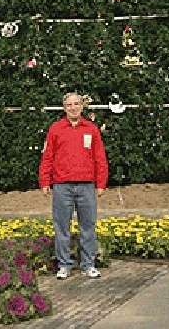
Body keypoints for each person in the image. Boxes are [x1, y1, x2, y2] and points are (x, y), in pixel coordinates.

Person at [39, 91, 108, 279]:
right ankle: (64, 265)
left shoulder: (92, 129)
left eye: (76, 104)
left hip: (86, 185)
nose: (73, 107)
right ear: (64, 108)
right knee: (62, 227)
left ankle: (88, 264)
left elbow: (99, 157)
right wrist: (44, 180)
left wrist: (101, 183)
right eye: (69, 105)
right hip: (62, 186)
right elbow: (48, 157)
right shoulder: (55, 129)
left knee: (88, 226)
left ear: (82, 106)